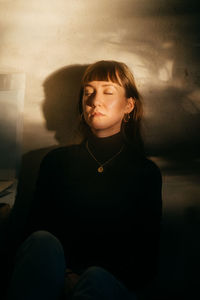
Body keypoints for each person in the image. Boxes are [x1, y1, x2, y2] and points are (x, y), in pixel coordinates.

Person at [6, 60, 162, 300]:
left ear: (129, 105)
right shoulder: (56, 162)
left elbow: (145, 261)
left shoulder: (145, 173)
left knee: (96, 280)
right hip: (54, 278)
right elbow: (33, 232)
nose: (94, 100)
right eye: (88, 92)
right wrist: (66, 275)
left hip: (111, 286)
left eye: (108, 92)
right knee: (42, 242)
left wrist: (87, 280)